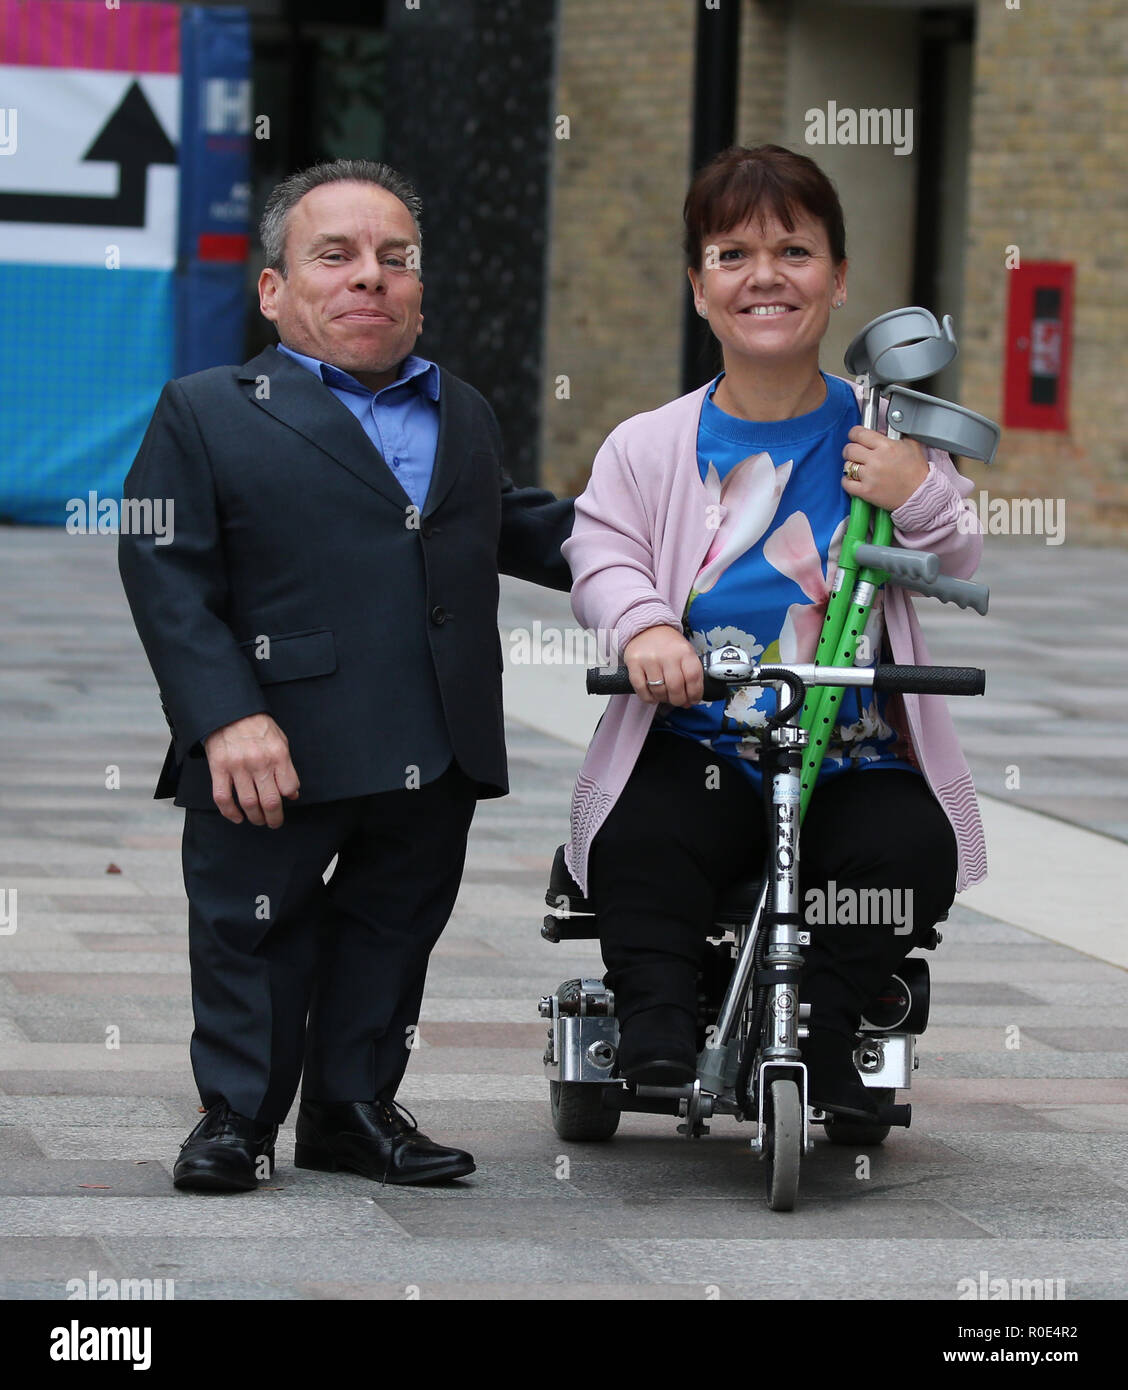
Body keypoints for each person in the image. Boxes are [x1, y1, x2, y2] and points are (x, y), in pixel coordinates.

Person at [118, 159, 573, 1190]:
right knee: (249, 930)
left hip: (431, 737)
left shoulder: (460, 409)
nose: (372, 275)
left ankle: (352, 1110)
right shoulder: (206, 410)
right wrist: (224, 715)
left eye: (395, 258)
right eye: (337, 255)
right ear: (275, 289)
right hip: (272, 742)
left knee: (392, 929)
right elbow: (163, 570)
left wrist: (690, 560)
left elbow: (518, 524)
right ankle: (236, 1117)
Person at [561, 144, 985, 1119]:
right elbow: (602, 552)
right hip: (699, 735)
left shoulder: (882, 435)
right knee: (645, 843)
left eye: (794, 251)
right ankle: (659, 1024)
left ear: (837, 280)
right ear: (698, 285)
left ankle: (829, 1034)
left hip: (851, 752)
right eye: (732, 253)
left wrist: (917, 490)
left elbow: (957, 558)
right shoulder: (651, 444)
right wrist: (644, 629)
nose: (764, 275)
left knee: (912, 850)